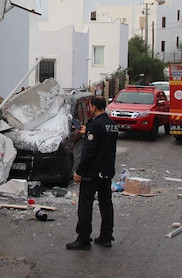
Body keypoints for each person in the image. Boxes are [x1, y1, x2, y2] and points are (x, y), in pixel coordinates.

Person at [67, 96, 119, 250]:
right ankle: (106, 236)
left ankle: (83, 239)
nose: (89, 109)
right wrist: (86, 131)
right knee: (106, 204)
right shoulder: (112, 124)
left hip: (92, 173)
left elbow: (89, 151)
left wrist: (79, 171)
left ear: (94, 107)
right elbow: (103, 142)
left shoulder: (95, 125)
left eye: (90, 107)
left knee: (85, 205)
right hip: (107, 171)